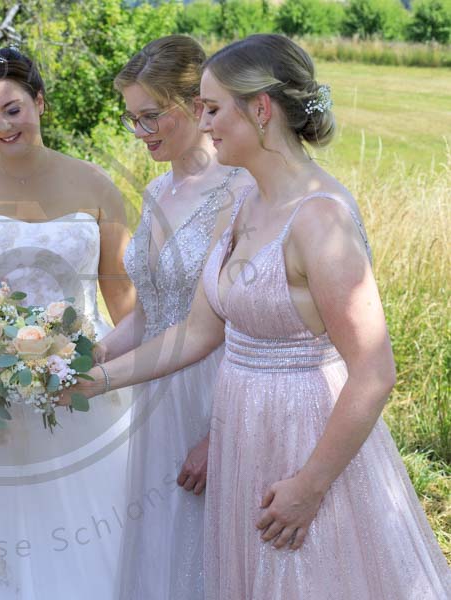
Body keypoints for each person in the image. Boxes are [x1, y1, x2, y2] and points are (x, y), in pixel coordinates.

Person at [64, 33, 451, 599]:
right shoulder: (245, 206)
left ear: (261, 109)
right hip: (243, 434)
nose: (205, 122)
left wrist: (309, 486)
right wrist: (91, 381)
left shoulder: (320, 219)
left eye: (213, 108)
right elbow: (197, 332)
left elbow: (375, 372)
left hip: (303, 438)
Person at [0, 47, 136, 599]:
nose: (3, 126)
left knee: (100, 528)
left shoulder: (96, 184)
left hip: (88, 380)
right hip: (2, 387)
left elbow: (122, 296)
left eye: (13, 110)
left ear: (40, 103)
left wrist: (143, 372)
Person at [98, 35, 254, 600]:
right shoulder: (157, 189)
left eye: (150, 116)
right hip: (156, 392)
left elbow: (247, 325)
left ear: (195, 105)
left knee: (215, 554)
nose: (140, 132)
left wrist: (219, 437)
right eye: (131, 120)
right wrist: (88, 354)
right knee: (162, 552)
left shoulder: (242, 190)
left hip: (216, 392)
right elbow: (150, 311)